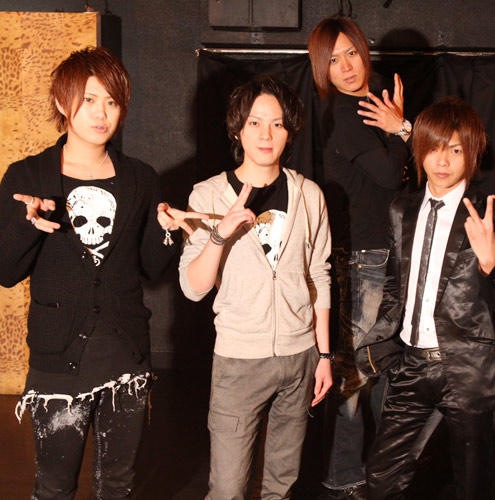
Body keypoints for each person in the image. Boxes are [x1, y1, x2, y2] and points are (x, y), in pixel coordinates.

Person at [0, 46, 205, 499]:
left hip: (125, 357)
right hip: (57, 359)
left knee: (117, 485)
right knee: (54, 487)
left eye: (112, 101)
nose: (101, 113)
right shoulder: (27, 176)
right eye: (89, 99)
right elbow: (5, 271)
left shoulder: (140, 178)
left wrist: (168, 232)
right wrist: (25, 226)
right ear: (62, 102)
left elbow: (151, 269)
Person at [178, 74, 333, 500]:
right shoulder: (208, 195)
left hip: (300, 358)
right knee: (228, 489)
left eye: (277, 124)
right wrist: (219, 235)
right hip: (239, 361)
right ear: (237, 129)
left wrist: (323, 355)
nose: (266, 134)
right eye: (254, 123)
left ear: (290, 131)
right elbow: (193, 288)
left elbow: (318, 275)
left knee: (281, 485)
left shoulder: (310, 195)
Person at [357, 97, 495, 500]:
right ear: (419, 149)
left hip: (467, 369)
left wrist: (490, 264)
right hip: (411, 364)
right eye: (433, 148)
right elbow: (394, 285)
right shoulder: (401, 209)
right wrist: (384, 342)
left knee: (471, 485)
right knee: (381, 476)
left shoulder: (492, 214)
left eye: (456, 150)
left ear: (473, 153)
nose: (442, 160)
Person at [307, 16, 412, 500]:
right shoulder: (348, 114)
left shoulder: (372, 102)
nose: (347, 66)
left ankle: (367, 472)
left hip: (381, 252)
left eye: (351, 52)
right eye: (333, 60)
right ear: (322, 70)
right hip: (366, 257)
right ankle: (350, 474)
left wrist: (398, 126)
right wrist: (401, 129)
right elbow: (391, 176)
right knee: (360, 372)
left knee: (377, 367)